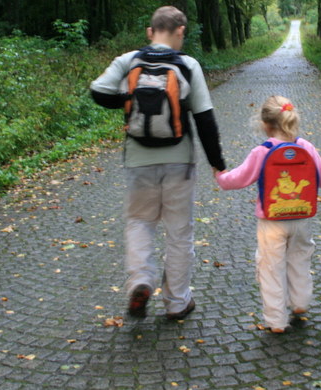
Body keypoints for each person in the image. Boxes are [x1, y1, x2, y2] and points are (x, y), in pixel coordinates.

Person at [89, 6, 226, 320]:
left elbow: (98, 91)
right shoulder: (188, 65)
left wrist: (128, 97)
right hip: (179, 161)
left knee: (139, 222)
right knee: (179, 232)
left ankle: (141, 280)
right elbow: (205, 119)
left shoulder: (129, 60)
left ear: (150, 32)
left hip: (138, 161)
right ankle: (177, 302)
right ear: (180, 31)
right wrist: (217, 163)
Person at [215, 96, 321, 333]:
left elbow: (238, 179)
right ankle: (300, 302)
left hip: (271, 221)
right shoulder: (306, 147)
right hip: (301, 217)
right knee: (300, 259)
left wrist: (220, 176)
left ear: (265, 124)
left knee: (270, 268)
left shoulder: (262, 151)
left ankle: (276, 320)